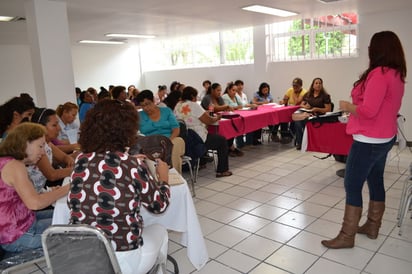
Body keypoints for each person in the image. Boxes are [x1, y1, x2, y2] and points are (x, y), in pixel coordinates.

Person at [321, 31, 406, 249]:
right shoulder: (397, 74)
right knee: (375, 180)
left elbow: (368, 111)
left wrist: (347, 106)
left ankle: (347, 235)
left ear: (377, 49)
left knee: (352, 183)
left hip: (368, 139)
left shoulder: (379, 73)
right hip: (385, 137)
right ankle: (372, 226)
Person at [68, 99, 170, 274]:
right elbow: (159, 206)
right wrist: (164, 179)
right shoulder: (131, 164)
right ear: (126, 130)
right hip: (122, 259)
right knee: (160, 229)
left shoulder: (81, 159)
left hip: (83, 255)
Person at [0, 123, 70, 253]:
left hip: (25, 222)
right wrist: (68, 188)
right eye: (40, 146)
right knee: (75, 232)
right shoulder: (14, 165)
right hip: (18, 236)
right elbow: (35, 203)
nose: (43, 152)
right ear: (25, 143)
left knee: (70, 216)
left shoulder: (7, 162)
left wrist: (51, 193)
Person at [175, 86, 233, 177]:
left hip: (184, 139)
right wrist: (217, 118)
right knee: (222, 140)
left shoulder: (178, 105)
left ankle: (202, 163)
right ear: (192, 96)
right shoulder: (193, 105)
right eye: (195, 96)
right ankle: (222, 170)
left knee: (208, 136)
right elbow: (208, 120)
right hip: (196, 138)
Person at [135, 90, 185, 174]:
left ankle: (174, 176)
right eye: (143, 106)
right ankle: (160, 178)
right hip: (152, 144)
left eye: (148, 104)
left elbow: (176, 129)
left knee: (176, 144)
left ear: (153, 101)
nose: (146, 108)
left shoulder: (166, 111)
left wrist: (168, 142)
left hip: (171, 139)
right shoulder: (140, 116)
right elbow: (134, 132)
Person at [27, 108, 75, 191]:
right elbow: (52, 175)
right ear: (41, 127)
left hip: (41, 190)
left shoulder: (47, 143)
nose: (59, 128)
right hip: (34, 194)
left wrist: (69, 161)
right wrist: (76, 170)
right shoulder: (37, 148)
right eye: (54, 125)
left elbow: (64, 157)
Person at [201, 83, 243, 157]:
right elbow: (214, 108)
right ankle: (227, 148)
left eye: (220, 90)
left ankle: (230, 147)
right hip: (209, 123)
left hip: (220, 119)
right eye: (218, 90)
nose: (219, 92)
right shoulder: (207, 98)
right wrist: (224, 106)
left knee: (231, 126)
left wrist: (224, 107)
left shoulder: (219, 98)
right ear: (212, 90)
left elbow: (223, 107)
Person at [293, 77, 332, 150]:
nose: (318, 85)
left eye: (320, 83)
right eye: (316, 83)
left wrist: (317, 109)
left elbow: (328, 109)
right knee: (297, 121)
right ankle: (300, 143)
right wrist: (306, 106)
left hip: (319, 115)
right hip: (308, 113)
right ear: (313, 85)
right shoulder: (308, 94)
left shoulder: (325, 96)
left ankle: (308, 142)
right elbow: (301, 104)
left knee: (305, 121)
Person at [273, 77, 307, 144]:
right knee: (281, 115)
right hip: (289, 110)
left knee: (294, 118)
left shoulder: (304, 92)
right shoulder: (290, 90)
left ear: (301, 85)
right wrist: (282, 101)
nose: (294, 87)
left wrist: (294, 93)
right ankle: (280, 135)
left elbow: (297, 102)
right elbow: (285, 99)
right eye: (293, 85)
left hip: (299, 111)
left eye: (296, 86)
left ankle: (290, 136)